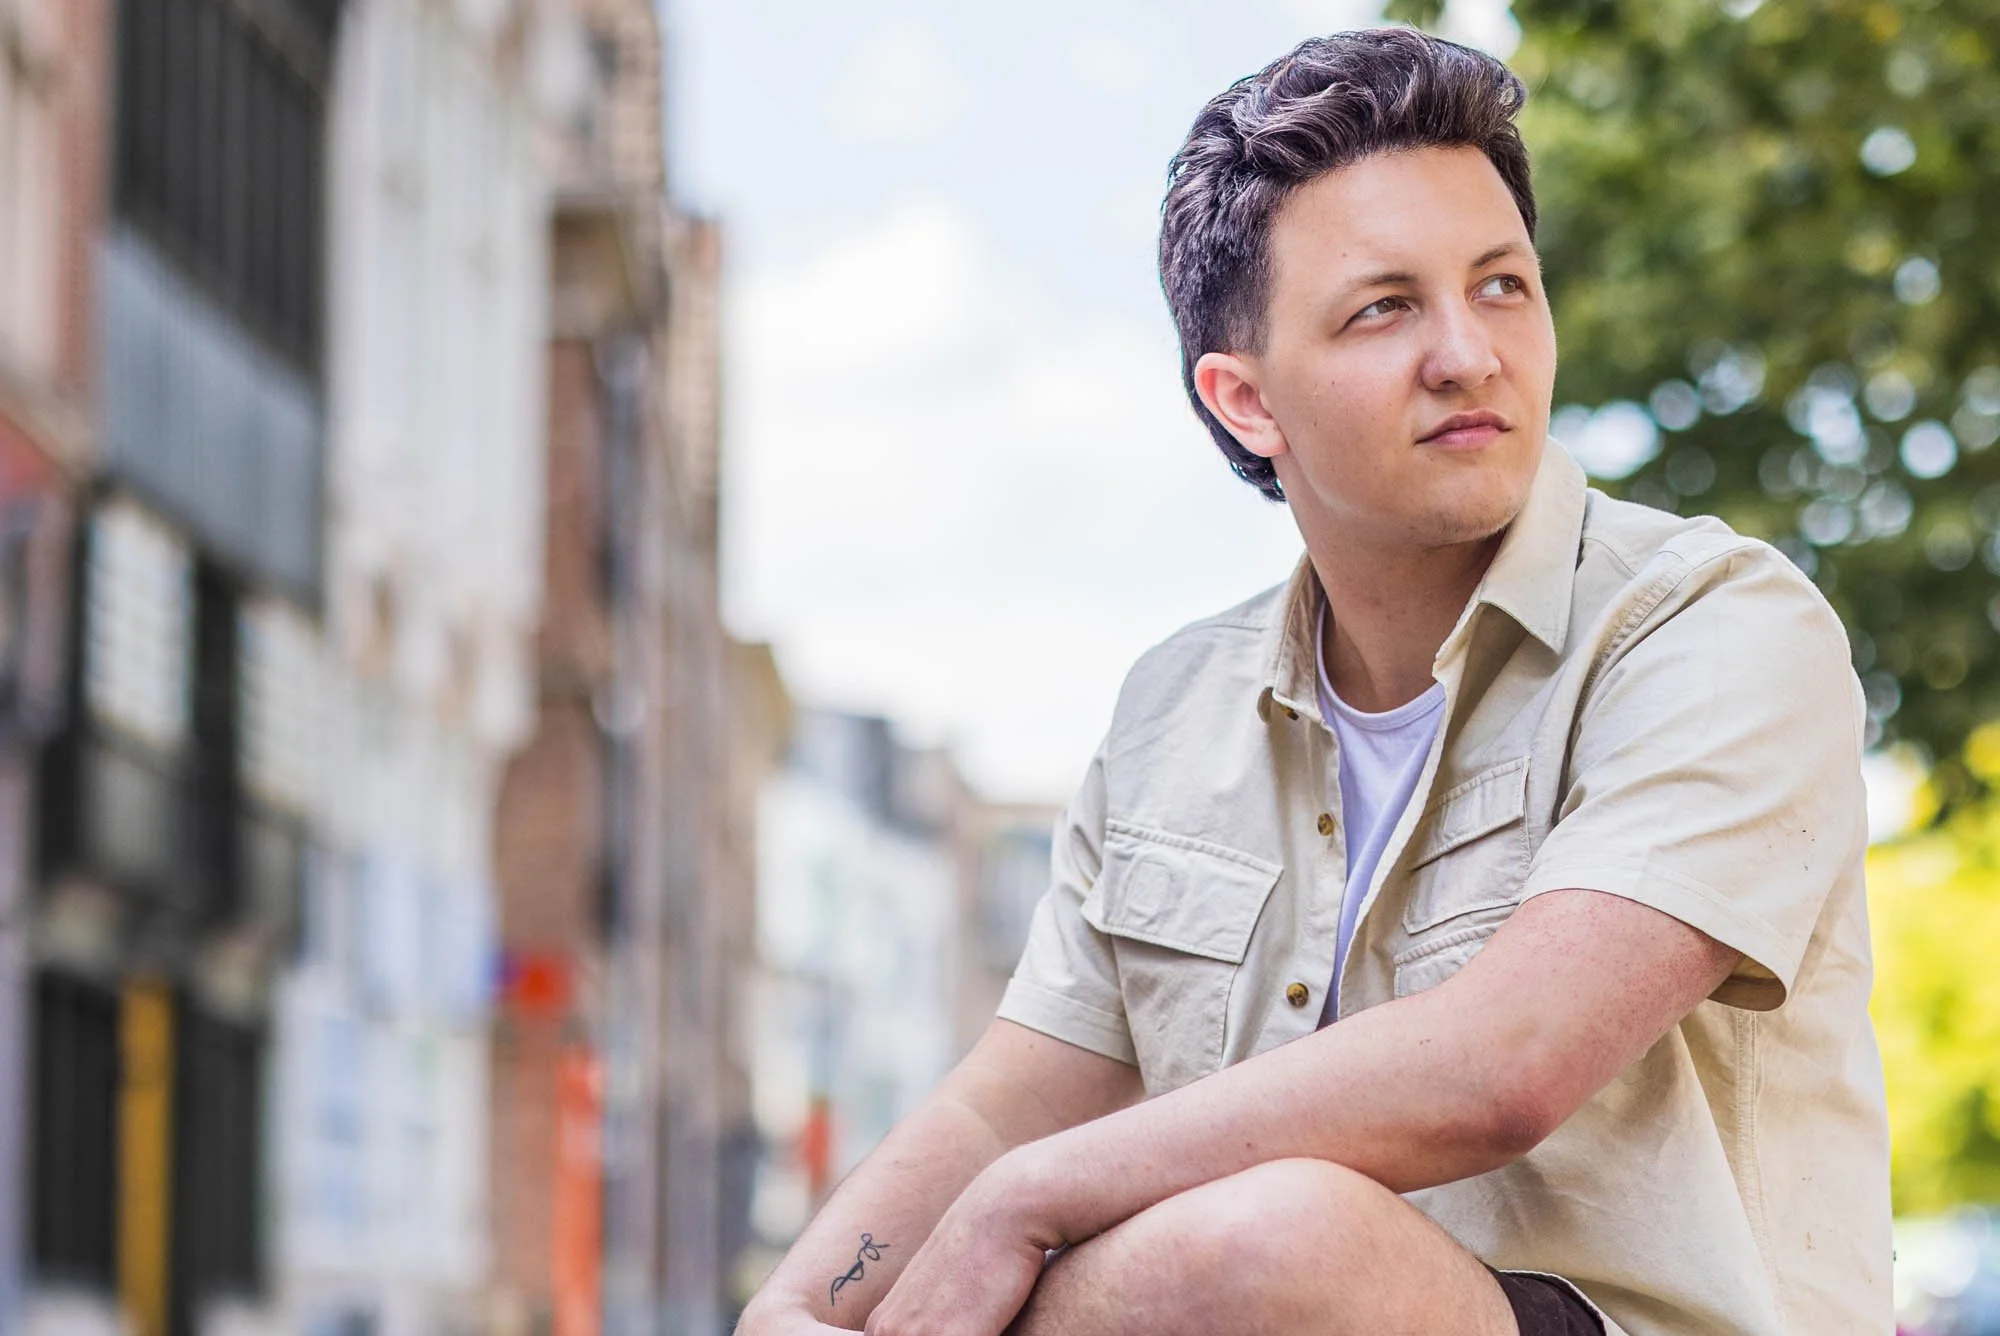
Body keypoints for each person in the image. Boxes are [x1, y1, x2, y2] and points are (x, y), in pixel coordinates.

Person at [736, 27, 1891, 1336]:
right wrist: (795, 1309)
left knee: (1266, 1241)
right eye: (1384, 307)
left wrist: (1029, 1199)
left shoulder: (1712, 627)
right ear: (1246, 401)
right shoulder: (1174, 712)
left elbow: (1506, 1064)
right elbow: (1009, 1104)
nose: (1469, 353)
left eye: (1502, 286)